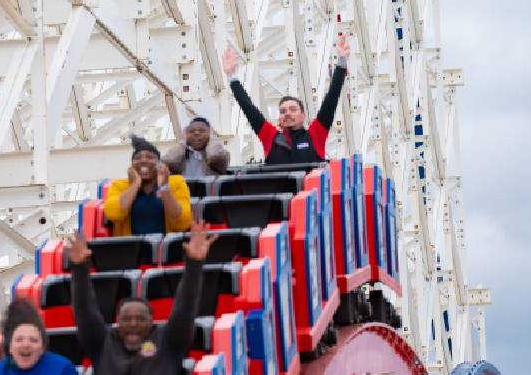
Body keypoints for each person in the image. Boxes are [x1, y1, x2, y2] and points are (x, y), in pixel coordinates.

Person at [69, 220, 217, 375]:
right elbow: (85, 311)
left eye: (140, 319)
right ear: (117, 322)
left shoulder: (169, 342)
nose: (133, 324)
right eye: (126, 319)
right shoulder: (102, 344)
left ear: (152, 322)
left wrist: (194, 263)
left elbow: (185, 307)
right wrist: (79, 268)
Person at [222, 34, 351, 165]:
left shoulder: (315, 135)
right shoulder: (270, 138)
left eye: (293, 109)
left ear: (303, 116)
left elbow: (331, 101)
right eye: (283, 111)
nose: (287, 113)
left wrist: (341, 62)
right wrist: (231, 76)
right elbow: (249, 108)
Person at [103, 135, 191, 236]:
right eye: (137, 158)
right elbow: (113, 215)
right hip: (130, 246)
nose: (143, 160)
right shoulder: (119, 185)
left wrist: (164, 187)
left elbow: (182, 223)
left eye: (150, 157)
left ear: (159, 164)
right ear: (131, 166)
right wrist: (135, 184)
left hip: (165, 245)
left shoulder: (176, 182)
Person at [162, 117, 230, 178]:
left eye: (202, 131)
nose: (196, 133)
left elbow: (215, 156)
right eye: (191, 131)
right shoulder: (181, 154)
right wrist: (183, 142)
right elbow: (166, 163)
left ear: (210, 133)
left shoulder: (223, 154)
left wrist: (212, 137)